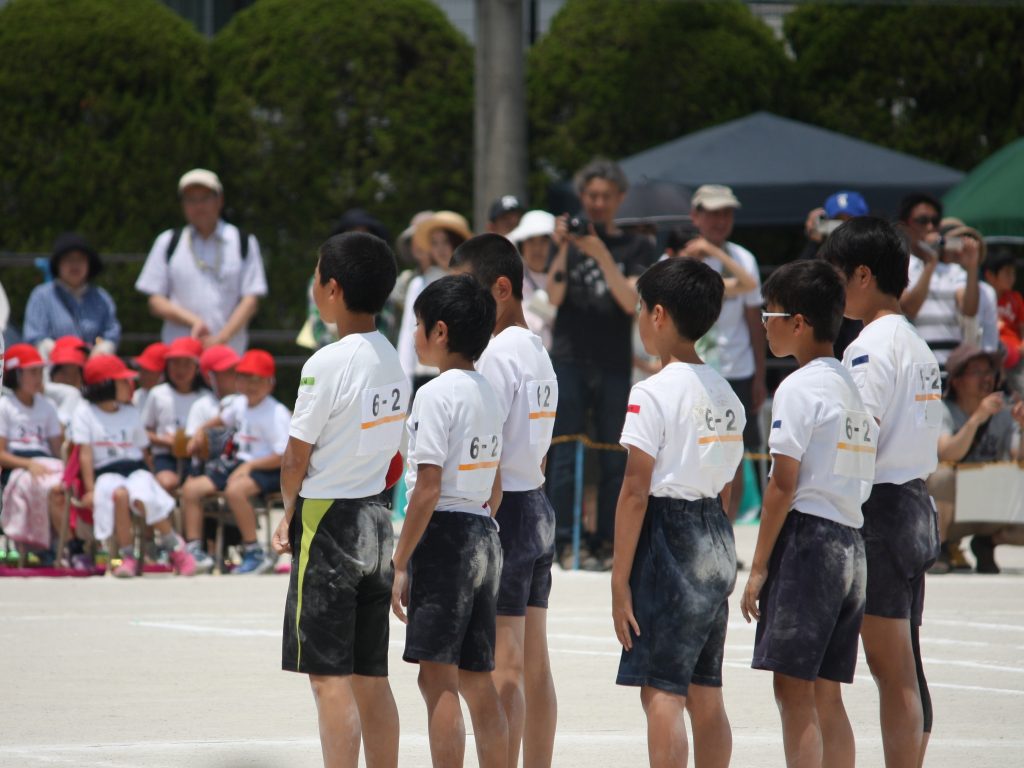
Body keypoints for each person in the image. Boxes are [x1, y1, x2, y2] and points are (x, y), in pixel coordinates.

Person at [273, 232, 407, 768]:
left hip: (328, 520)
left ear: (331, 288)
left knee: (328, 679)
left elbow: (294, 458)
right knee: (371, 677)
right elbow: (395, 456)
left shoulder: (325, 362)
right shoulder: (393, 360)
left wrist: (287, 514)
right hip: (376, 517)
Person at [740, 260, 875, 768]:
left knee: (793, 692)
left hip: (809, 544)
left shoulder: (798, 388)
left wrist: (757, 567)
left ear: (798, 322)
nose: (764, 325)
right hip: (851, 543)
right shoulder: (849, 386)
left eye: (769, 315)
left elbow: (781, 484)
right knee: (827, 693)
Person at [612, 258, 742, 768]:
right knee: (705, 690)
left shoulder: (652, 391)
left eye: (642, 309)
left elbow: (634, 491)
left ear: (658, 314)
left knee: (661, 689)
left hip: (668, 537)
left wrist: (620, 579)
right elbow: (729, 484)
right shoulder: (727, 394)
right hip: (715, 531)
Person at [822, 218, 942, 768]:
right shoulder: (916, 342)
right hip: (916, 500)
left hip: (883, 508)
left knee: (890, 668)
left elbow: (859, 438)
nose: (833, 288)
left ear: (863, 275)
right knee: (906, 662)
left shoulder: (868, 347)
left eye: (838, 275)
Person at [391, 274, 508, 768]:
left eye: (417, 325)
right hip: (484, 529)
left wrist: (399, 562)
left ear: (439, 331)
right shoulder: (489, 391)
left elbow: (427, 488)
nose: (414, 334)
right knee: (477, 679)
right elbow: (496, 484)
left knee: (435, 678)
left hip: (445, 535)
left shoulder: (435, 394)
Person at [451, 235, 559, 768]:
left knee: (508, 666)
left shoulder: (494, 355)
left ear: (501, 288)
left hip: (507, 510)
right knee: (535, 665)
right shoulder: (536, 346)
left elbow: (483, 448)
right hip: (536, 501)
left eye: (468, 290)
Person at [546, 158, 657, 570]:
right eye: (590, 196)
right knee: (565, 451)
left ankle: (608, 540)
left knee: (615, 452)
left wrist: (599, 253)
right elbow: (554, 298)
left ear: (620, 199)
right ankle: (565, 541)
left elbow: (632, 302)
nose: (597, 204)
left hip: (613, 360)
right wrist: (563, 248)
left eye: (605, 197)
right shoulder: (568, 245)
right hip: (569, 357)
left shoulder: (636, 247)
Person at [70, 355, 195, 578]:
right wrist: (89, 489)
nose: (130, 385)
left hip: (135, 468)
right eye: (122, 381)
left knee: (143, 493)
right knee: (119, 495)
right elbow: (85, 455)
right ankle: (127, 554)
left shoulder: (130, 412)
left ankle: (174, 546)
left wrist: (152, 476)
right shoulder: (85, 413)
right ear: (105, 385)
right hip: (106, 471)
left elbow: (143, 451)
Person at [689, 185, 766, 531]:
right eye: (713, 212)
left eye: (727, 213)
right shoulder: (682, 255)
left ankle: (727, 532)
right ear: (696, 216)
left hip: (737, 371)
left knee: (735, 458)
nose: (720, 220)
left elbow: (755, 320)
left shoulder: (744, 259)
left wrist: (761, 377)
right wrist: (700, 252)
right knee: (694, 453)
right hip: (693, 371)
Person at [135, 168, 267, 354]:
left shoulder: (243, 241)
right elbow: (155, 301)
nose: (198, 206)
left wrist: (221, 338)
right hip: (179, 358)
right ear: (183, 205)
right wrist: (194, 321)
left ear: (219, 200)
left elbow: (251, 300)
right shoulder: (168, 241)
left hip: (228, 357)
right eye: (191, 200)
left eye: (205, 198)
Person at [181, 349, 289, 575]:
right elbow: (219, 420)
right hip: (238, 462)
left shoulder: (276, 412)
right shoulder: (239, 403)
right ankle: (193, 552)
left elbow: (283, 455)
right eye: (245, 378)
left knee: (235, 491)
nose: (251, 385)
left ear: (271, 383)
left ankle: (254, 550)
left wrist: (249, 466)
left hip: (268, 467)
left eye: (258, 379)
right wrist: (200, 432)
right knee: (191, 489)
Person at [927, 344, 1024, 575]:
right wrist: (977, 418)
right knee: (941, 475)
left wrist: (1022, 427)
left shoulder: (1003, 413)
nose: (986, 378)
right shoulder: (942, 409)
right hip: (952, 507)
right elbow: (947, 453)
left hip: (987, 502)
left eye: (989, 372)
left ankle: (987, 543)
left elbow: (1017, 459)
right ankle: (940, 546)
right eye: (976, 372)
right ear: (957, 381)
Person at [898, 193, 980, 365]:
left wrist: (972, 267)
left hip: (952, 365)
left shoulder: (953, 271)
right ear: (905, 225)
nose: (930, 227)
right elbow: (909, 308)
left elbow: (969, 310)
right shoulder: (900, 266)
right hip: (918, 363)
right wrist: (930, 265)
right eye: (922, 221)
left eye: (935, 221)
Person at [396, 210, 472, 390]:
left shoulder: (473, 284)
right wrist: (403, 384)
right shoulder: (419, 284)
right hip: (427, 375)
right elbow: (408, 334)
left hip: (467, 375)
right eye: (435, 243)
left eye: (446, 241)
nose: (440, 249)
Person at [0, 344, 65, 552]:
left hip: (46, 463)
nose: (39, 377)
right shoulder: (4, 406)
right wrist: (29, 464)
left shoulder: (48, 406)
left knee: (65, 485)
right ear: (16, 375)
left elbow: (57, 450)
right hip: (18, 466)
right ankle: (54, 546)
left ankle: (68, 544)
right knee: (45, 487)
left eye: (40, 371)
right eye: (33, 372)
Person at [799, 191, 871, 358]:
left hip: (860, 336)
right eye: (837, 221)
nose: (842, 229)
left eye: (849, 222)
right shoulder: (820, 252)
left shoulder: (872, 250)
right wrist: (814, 241)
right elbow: (799, 285)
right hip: (828, 340)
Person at [22, 233, 121, 352]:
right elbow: (34, 337)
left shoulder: (102, 297)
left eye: (80, 259)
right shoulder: (41, 296)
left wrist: (102, 350)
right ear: (58, 264)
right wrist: (63, 355)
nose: (75, 265)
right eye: (69, 259)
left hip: (93, 366)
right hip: (53, 366)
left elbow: (111, 334)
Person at [141, 336, 206, 494]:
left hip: (198, 458)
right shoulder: (158, 394)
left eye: (186, 363)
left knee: (196, 487)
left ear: (197, 367)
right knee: (167, 482)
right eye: (175, 363)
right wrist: (163, 440)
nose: (180, 369)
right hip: (165, 455)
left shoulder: (205, 398)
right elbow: (143, 431)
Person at [507, 210, 560, 350]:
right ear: (521, 245)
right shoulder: (509, 281)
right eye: (530, 240)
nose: (537, 248)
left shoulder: (566, 276)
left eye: (544, 240)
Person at [984, 251, 1024, 395]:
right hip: (993, 350)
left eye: (1013, 273)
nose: (1011, 278)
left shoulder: (1015, 298)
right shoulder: (984, 297)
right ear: (990, 275)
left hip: (1015, 352)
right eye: (1007, 273)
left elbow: (1021, 327)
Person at [44, 336, 88, 427]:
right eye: (64, 371)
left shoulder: (88, 406)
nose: (69, 378)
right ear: (52, 373)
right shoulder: (36, 400)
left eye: (75, 373)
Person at [131, 342, 168, 409]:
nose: (141, 374)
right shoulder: (135, 397)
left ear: (163, 375)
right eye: (141, 368)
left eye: (148, 371)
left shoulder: (172, 399)